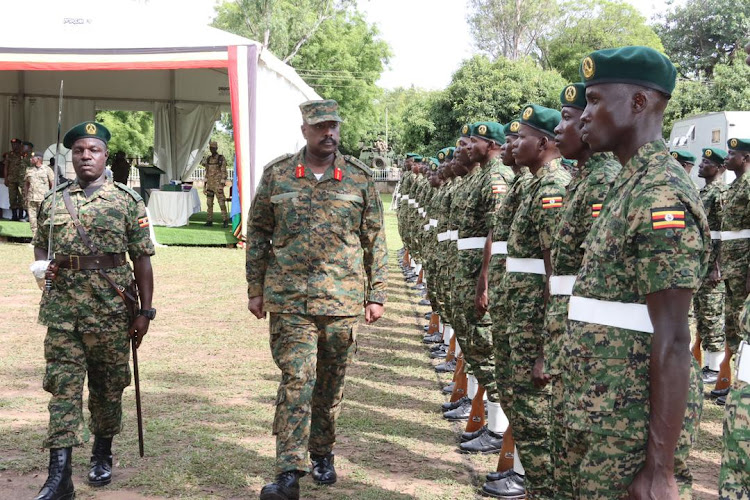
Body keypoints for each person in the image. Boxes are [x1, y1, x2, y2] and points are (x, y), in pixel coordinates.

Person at [564, 46, 708, 499]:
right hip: (600, 410)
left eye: (595, 101)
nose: (585, 115)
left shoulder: (660, 193)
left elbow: (674, 338)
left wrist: (659, 468)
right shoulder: (630, 182)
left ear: (639, 103)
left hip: (627, 429)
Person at [245, 99, 387, 500]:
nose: (329, 133)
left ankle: (322, 450)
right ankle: (289, 470)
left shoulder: (358, 178)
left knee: (330, 383)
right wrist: (255, 288)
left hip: (341, 302)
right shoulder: (278, 175)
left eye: (334, 126)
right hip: (290, 300)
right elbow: (257, 233)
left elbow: (375, 239)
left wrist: (377, 293)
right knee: (297, 379)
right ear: (305, 130)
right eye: (321, 126)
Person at [31, 121, 155, 500]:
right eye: (79, 151)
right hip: (63, 314)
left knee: (107, 388)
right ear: (71, 157)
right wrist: (41, 269)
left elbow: (142, 260)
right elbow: (41, 247)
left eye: (94, 150)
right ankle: (59, 474)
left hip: (111, 314)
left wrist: (144, 312)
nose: (86, 156)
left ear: (105, 156)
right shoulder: (53, 201)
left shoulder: (126, 201)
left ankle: (102, 452)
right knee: (63, 390)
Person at [535, 83, 621, 499]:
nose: (565, 127)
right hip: (568, 327)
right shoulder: (584, 179)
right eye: (574, 114)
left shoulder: (605, 182)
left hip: (590, 343)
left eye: (566, 118)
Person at [501, 104, 569, 499]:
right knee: (523, 411)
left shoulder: (552, 187)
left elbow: (554, 271)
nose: (514, 145)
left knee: (534, 416)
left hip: (535, 321)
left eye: (522, 137)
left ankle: (539, 487)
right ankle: (532, 484)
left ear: (542, 143)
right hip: (521, 315)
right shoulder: (534, 183)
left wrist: (546, 345)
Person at [714, 137, 750, 403]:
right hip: (731, 265)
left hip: (743, 267)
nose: (727, 158)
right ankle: (735, 383)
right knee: (733, 326)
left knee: (742, 325)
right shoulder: (737, 184)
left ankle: (741, 387)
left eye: (733, 153)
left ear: (745, 158)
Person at [692, 147, 728, 386]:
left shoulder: (720, 193)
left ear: (719, 168)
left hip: (713, 262)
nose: (701, 165)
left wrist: (717, 265)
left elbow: (725, 232)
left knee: (712, 314)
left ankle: (715, 368)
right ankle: (706, 363)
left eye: (707, 162)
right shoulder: (704, 191)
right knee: (701, 312)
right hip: (702, 261)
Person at [24, 153, 55, 239]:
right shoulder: (29, 170)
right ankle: (35, 238)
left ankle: (43, 240)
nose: (31, 159)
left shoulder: (47, 169)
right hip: (31, 198)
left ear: (38, 159)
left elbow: (52, 183)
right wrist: (26, 197)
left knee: (42, 219)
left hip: (43, 199)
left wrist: (51, 196)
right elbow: (26, 184)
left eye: (32, 157)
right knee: (32, 219)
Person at [201, 140, 229, 227]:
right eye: (210, 148)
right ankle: (209, 221)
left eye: (213, 148)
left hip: (218, 185)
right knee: (209, 204)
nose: (212, 149)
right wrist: (204, 186)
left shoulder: (221, 158)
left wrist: (222, 184)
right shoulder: (209, 159)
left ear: (216, 148)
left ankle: (225, 221)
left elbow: (224, 172)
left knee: (221, 203)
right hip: (210, 185)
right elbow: (207, 172)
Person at [4, 138, 25, 220]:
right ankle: (14, 216)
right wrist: (6, 178)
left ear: (20, 145)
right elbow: (6, 167)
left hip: (21, 180)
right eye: (12, 145)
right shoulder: (9, 154)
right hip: (12, 180)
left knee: (21, 198)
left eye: (16, 144)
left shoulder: (23, 155)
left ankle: (20, 215)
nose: (14, 146)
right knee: (12, 197)